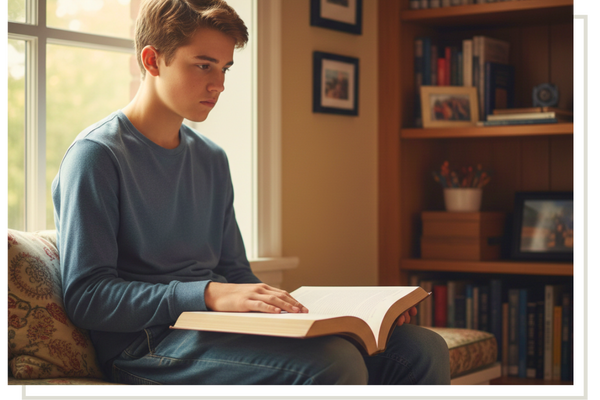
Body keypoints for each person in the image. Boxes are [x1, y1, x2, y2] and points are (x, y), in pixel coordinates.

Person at [52, 0, 450, 385]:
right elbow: (88, 296)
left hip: (217, 327)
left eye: (224, 68)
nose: (219, 84)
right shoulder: (96, 157)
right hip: (148, 344)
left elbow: (237, 272)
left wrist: (335, 317)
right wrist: (206, 293)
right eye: (204, 65)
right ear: (152, 61)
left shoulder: (210, 158)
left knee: (420, 347)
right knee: (333, 364)